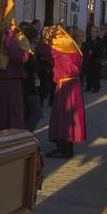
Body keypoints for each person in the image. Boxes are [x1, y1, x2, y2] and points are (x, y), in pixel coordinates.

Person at [45, 26, 87, 158]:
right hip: (73, 84)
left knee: (64, 116)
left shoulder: (61, 49)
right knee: (67, 116)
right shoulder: (72, 48)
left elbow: (45, 51)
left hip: (66, 86)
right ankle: (65, 147)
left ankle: (64, 149)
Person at [0, 23, 32, 132]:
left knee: (12, 119)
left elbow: (22, 57)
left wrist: (9, 40)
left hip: (12, 88)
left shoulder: (18, 38)